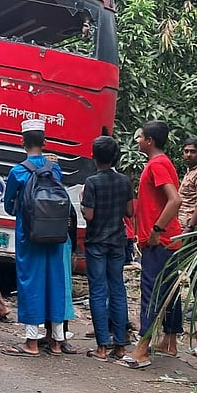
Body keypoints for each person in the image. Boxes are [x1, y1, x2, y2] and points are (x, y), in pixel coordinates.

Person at [1, 120, 75, 357]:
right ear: (45, 142)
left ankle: (31, 342)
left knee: (30, 283)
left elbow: (8, 206)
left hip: (29, 235)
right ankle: (57, 341)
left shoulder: (17, 171)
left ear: (22, 142)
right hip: (55, 235)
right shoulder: (55, 169)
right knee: (55, 282)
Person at [121, 120, 184, 369]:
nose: (137, 141)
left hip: (160, 240)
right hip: (168, 239)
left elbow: (174, 200)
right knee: (169, 290)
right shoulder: (161, 162)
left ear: (150, 141)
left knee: (152, 292)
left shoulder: (157, 164)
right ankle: (169, 341)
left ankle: (142, 349)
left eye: (140, 137)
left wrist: (157, 230)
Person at [81, 136, 134, 362]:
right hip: (117, 241)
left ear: (94, 156)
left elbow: (89, 215)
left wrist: (83, 202)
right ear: (116, 157)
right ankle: (120, 345)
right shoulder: (124, 181)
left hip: (96, 242)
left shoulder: (92, 182)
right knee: (118, 289)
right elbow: (130, 212)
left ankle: (102, 346)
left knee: (98, 291)